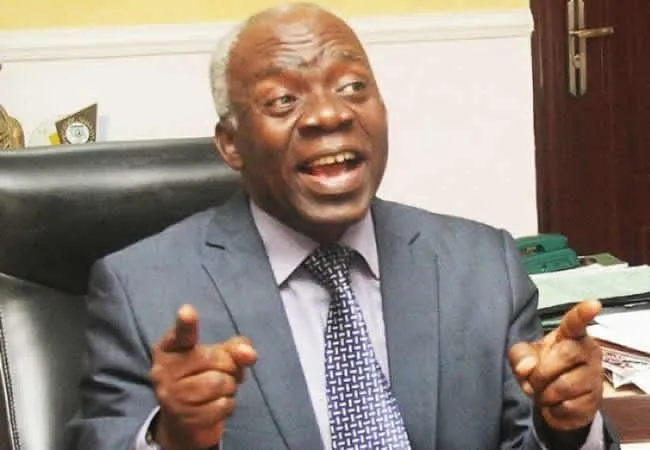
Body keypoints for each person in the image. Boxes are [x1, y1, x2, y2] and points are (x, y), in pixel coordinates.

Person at [65, 3, 617, 449]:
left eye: (353, 87)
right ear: (231, 144)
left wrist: (566, 428)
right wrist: (171, 441)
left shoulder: (480, 265)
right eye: (283, 99)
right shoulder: (141, 288)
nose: (330, 114)